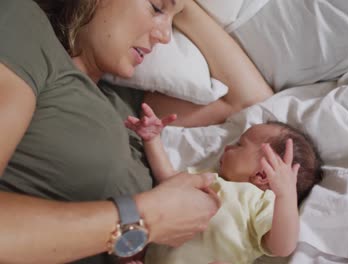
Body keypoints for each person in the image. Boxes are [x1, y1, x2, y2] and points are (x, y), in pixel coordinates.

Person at [0, 0, 273, 263]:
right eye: (156, 7)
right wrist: (148, 218)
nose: (166, 36)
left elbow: (249, 101)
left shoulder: (127, 106)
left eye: (171, 21)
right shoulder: (23, 28)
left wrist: (183, 7)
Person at [124, 103, 324, 264]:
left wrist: (285, 195)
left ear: (263, 174)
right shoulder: (207, 178)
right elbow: (168, 179)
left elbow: (283, 247)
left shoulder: (262, 201)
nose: (227, 147)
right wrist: (152, 140)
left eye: (240, 145)